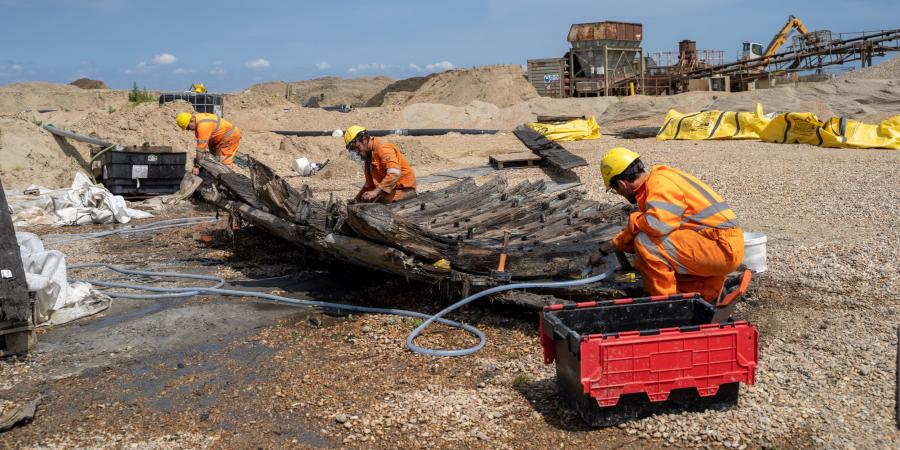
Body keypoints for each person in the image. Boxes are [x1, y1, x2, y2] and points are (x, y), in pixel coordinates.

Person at [590, 147, 744, 302]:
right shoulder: (661, 179)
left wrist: (634, 219)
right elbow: (650, 226)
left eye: (615, 190)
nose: (620, 195)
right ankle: (708, 294)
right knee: (664, 258)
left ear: (622, 184)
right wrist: (607, 248)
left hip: (721, 247)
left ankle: (667, 303)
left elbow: (657, 225)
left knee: (647, 244)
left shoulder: (659, 184)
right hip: (718, 245)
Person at [343, 125, 417, 203]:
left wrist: (375, 192)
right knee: (367, 203)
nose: (357, 152)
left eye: (357, 147)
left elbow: (394, 174)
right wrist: (357, 199)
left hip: (404, 190)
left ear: (364, 140)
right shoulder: (369, 157)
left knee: (376, 206)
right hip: (390, 190)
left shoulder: (383, 149)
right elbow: (369, 184)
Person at [176, 112, 241, 175]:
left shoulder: (203, 126)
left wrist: (196, 166)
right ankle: (219, 178)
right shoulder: (198, 118)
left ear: (191, 121)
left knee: (224, 162)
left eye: (188, 127)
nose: (188, 130)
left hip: (230, 137)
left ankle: (229, 180)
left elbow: (200, 149)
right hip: (220, 137)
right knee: (215, 159)